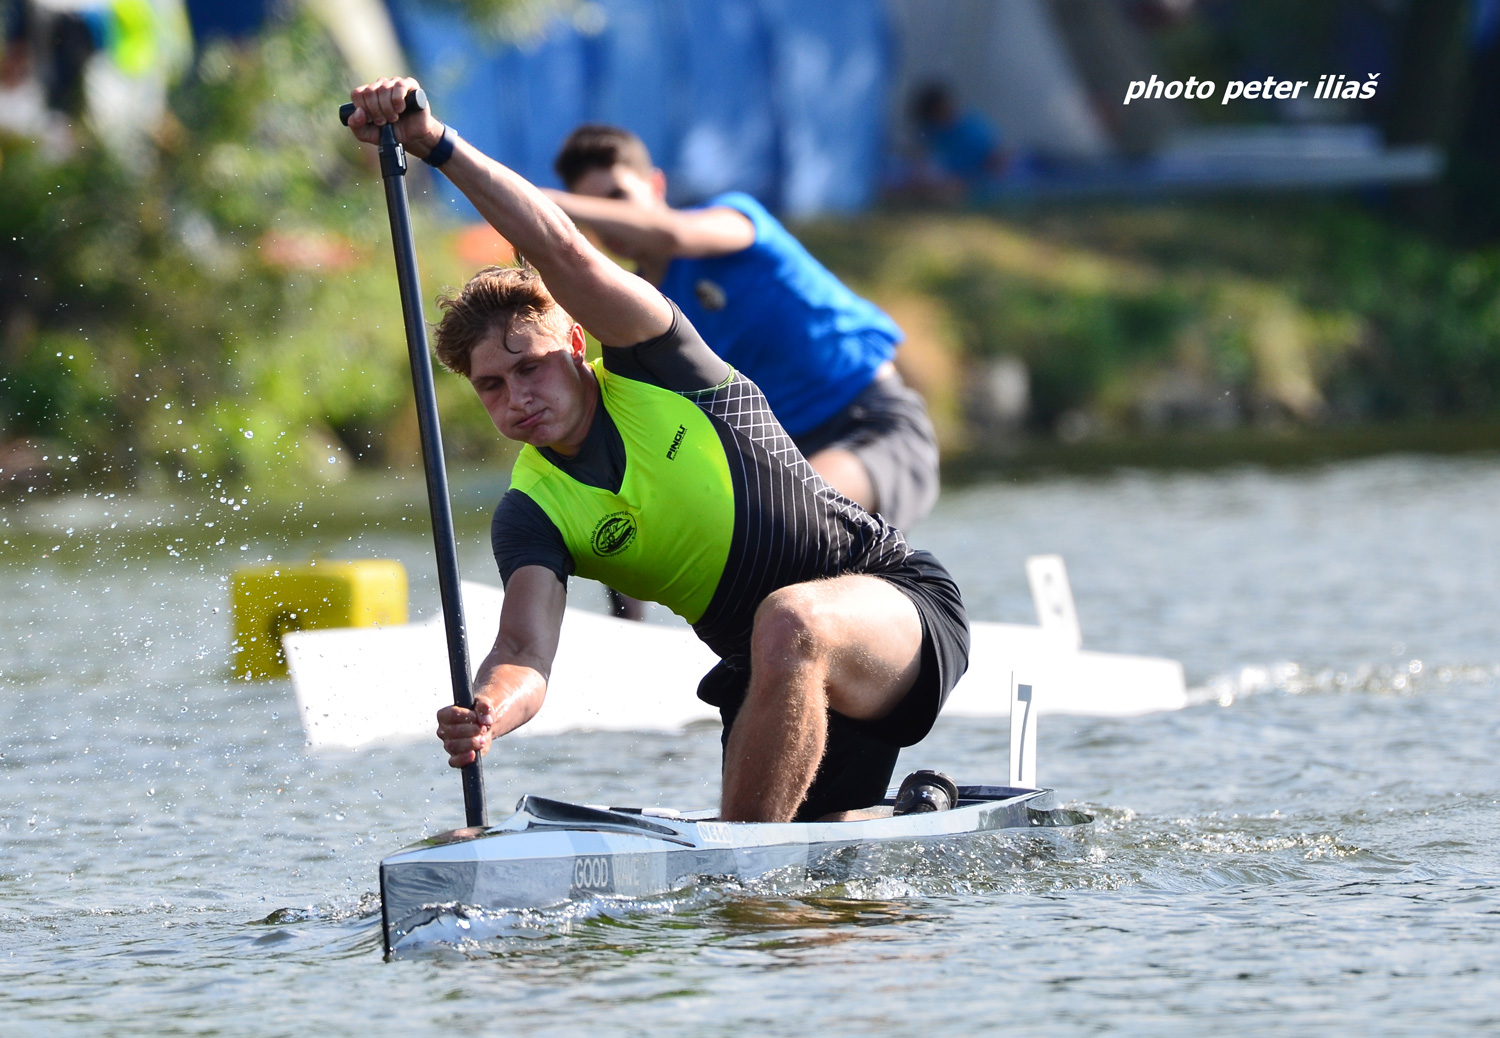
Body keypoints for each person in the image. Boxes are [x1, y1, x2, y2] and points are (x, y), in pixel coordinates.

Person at [342, 78, 969, 824]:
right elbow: (523, 651)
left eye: (531, 366)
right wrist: (487, 709)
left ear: (576, 342)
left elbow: (562, 248)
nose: (518, 397)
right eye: (492, 386)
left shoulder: (656, 359)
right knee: (791, 923)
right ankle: (919, 812)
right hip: (765, 672)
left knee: (790, 623)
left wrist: (437, 146)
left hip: (892, 606)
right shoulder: (531, 512)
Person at [543, 125, 940, 534]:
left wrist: (550, 207)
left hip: (872, 425)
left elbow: (671, 233)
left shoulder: (731, 218)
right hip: (781, 461)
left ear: (656, 185)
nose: (609, 222)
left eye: (617, 198)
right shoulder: (642, 307)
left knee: (789, 524)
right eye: (589, 209)